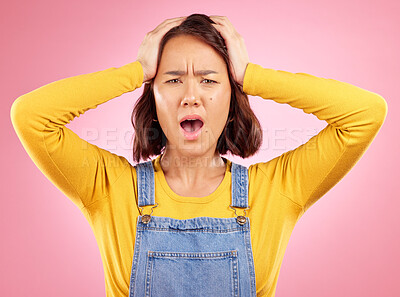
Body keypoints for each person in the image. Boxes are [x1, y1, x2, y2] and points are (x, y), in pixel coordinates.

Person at [10, 13, 387, 297]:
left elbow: (365, 114)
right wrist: (136, 70)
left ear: (231, 95)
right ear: (152, 96)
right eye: (173, 80)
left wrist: (251, 74)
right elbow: (31, 116)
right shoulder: (109, 189)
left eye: (209, 80)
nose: (191, 95)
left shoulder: (275, 191)